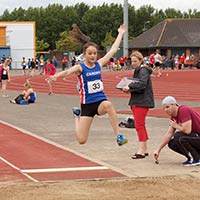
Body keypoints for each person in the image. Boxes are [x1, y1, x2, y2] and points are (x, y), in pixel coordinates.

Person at [48, 24, 128, 146]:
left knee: (109, 105)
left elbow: (112, 50)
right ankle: (76, 116)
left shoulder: (99, 64)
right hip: (87, 105)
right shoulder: (80, 67)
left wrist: (120, 34)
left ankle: (119, 135)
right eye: (90, 53)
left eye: (95, 53)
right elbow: (67, 72)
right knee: (81, 140)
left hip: (100, 102)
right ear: (84, 54)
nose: (93, 56)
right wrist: (55, 76)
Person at [122, 51, 155, 159]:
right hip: (140, 100)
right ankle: (144, 149)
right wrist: (130, 89)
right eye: (132, 61)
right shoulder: (141, 70)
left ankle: (141, 149)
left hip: (141, 101)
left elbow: (142, 83)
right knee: (141, 125)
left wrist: (129, 86)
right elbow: (140, 84)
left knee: (139, 125)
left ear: (140, 60)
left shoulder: (143, 70)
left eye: (135, 61)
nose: (133, 63)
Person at [154, 96, 200, 166]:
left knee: (179, 136)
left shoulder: (183, 110)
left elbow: (187, 130)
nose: (165, 110)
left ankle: (196, 159)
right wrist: (158, 150)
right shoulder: (173, 117)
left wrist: (176, 126)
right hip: (196, 138)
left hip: (198, 136)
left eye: (167, 107)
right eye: (164, 108)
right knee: (172, 143)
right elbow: (169, 134)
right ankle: (194, 156)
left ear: (174, 105)